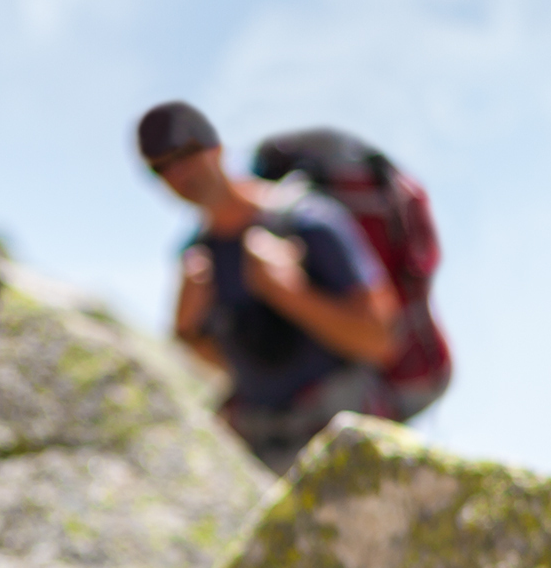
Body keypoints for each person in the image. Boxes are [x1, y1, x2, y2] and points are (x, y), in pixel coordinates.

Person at [136, 99, 405, 471]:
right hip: (266, 450)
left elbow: (381, 340)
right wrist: (187, 331)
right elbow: (234, 361)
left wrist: (289, 295)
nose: (178, 174)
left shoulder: (308, 221)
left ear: (216, 148)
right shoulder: (197, 258)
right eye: (161, 168)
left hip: (346, 435)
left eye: (184, 155)